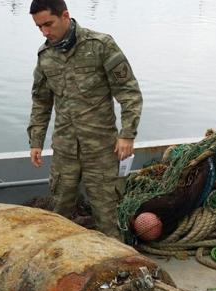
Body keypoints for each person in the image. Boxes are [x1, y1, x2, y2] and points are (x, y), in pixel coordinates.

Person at [27, 0, 143, 239]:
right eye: (39, 27)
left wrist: (127, 134)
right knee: (58, 217)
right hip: (65, 152)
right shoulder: (45, 55)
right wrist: (36, 141)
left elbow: (129, 93)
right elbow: (41, 102)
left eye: (48, 24)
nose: (45, 32)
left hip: (101, 151)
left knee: (108, 219)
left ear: (65, 16)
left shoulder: (100, 46)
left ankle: (117, 267)